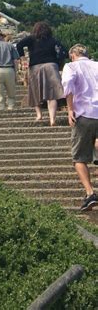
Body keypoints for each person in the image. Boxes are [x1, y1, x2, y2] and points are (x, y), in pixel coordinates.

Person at [62, 44, 98, 211]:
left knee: (79, 158)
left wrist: (70, 109)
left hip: (83, 114)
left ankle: (90, 193)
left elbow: (68, 84)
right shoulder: (97, 65)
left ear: (72, 55)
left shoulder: (71, 66)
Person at [16, 22, 65, 126]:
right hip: (51, 66)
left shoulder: (31, 38)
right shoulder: (53, 40)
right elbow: (62, 51)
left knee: (35, 92)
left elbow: (19, 45)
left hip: (35, 67)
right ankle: (52, 119)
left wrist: (22, 57)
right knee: (52, 94)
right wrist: (58, 63)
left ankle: (39, 115)